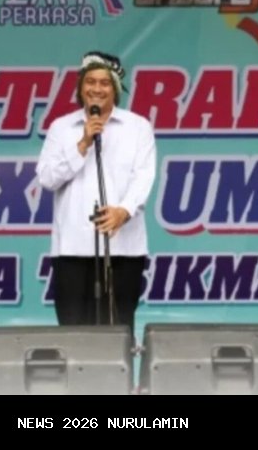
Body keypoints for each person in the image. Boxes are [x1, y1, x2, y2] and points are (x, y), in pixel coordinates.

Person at [36, 51, 157, 334]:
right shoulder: (61, 128)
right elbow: (47, 178)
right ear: (80, 88)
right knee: (74, 334)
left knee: (118, 328)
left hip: (123, 247)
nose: (97, 89)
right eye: (90, 81)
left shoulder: (137, 127)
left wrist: (123, 211)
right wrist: (82, 144)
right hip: (71, 248)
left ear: (115, 88)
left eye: (104, 83)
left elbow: (144, 175)